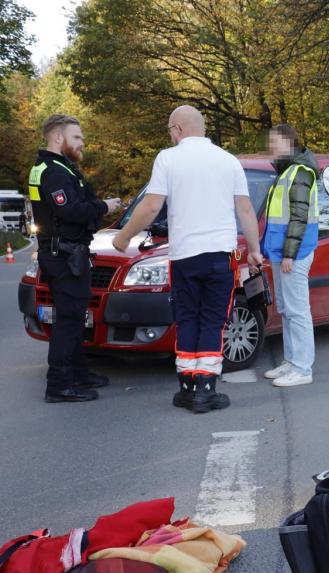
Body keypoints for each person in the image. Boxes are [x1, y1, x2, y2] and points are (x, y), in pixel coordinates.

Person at [112, 106, 264, 413]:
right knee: (212, 320)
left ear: (177, 129)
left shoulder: (168, 158)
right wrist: (255, 249)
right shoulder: (228, 161)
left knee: (186, 319)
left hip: (184, 258)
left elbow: (152, 205)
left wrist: (124, 236)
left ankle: (187, 388)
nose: (171, 136)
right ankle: (206, 390)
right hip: (220, 256)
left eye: (170, 131)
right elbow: (245, 210)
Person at [28, 114, 121, 403]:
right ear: (59, 138)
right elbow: (70, 210)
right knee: (69, 319)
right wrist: (103, 206)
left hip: (66, 252)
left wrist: (94, 205)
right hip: (63, 255)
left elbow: (78, 204)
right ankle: (58, 385)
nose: (82, 143)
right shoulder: (53, 172)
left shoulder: (57, 167)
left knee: (74, 316)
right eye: (77, 137)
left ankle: (79, 373)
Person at [261, 123, 319, 388]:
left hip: (293, 252)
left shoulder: (300, 171)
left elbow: (299, 216)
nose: (270, 146)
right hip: (282, 251)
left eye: (274, 141)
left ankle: (302, 368)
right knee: (286, 310)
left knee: (297, 311)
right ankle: (292, 361)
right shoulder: (288, 170)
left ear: (288, 141)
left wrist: (289, 255)